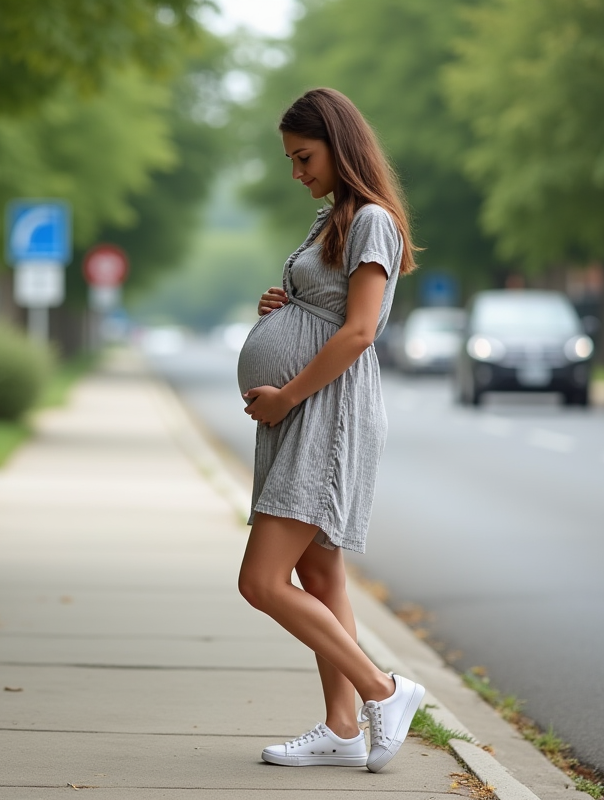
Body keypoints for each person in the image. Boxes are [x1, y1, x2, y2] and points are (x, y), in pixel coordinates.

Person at [235, 87, 425, 774]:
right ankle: (344, 727)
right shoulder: (332, 221)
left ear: (339, 146)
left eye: (303, 156)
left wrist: (285, 395)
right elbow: (330, 306)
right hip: (305, 409)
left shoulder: (372, 219)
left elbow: (361, 330)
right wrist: (280, 307)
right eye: (290, 159)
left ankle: (385, 690)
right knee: (319, 572)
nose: (296, 172)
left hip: (326, 411)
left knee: (261, 581)